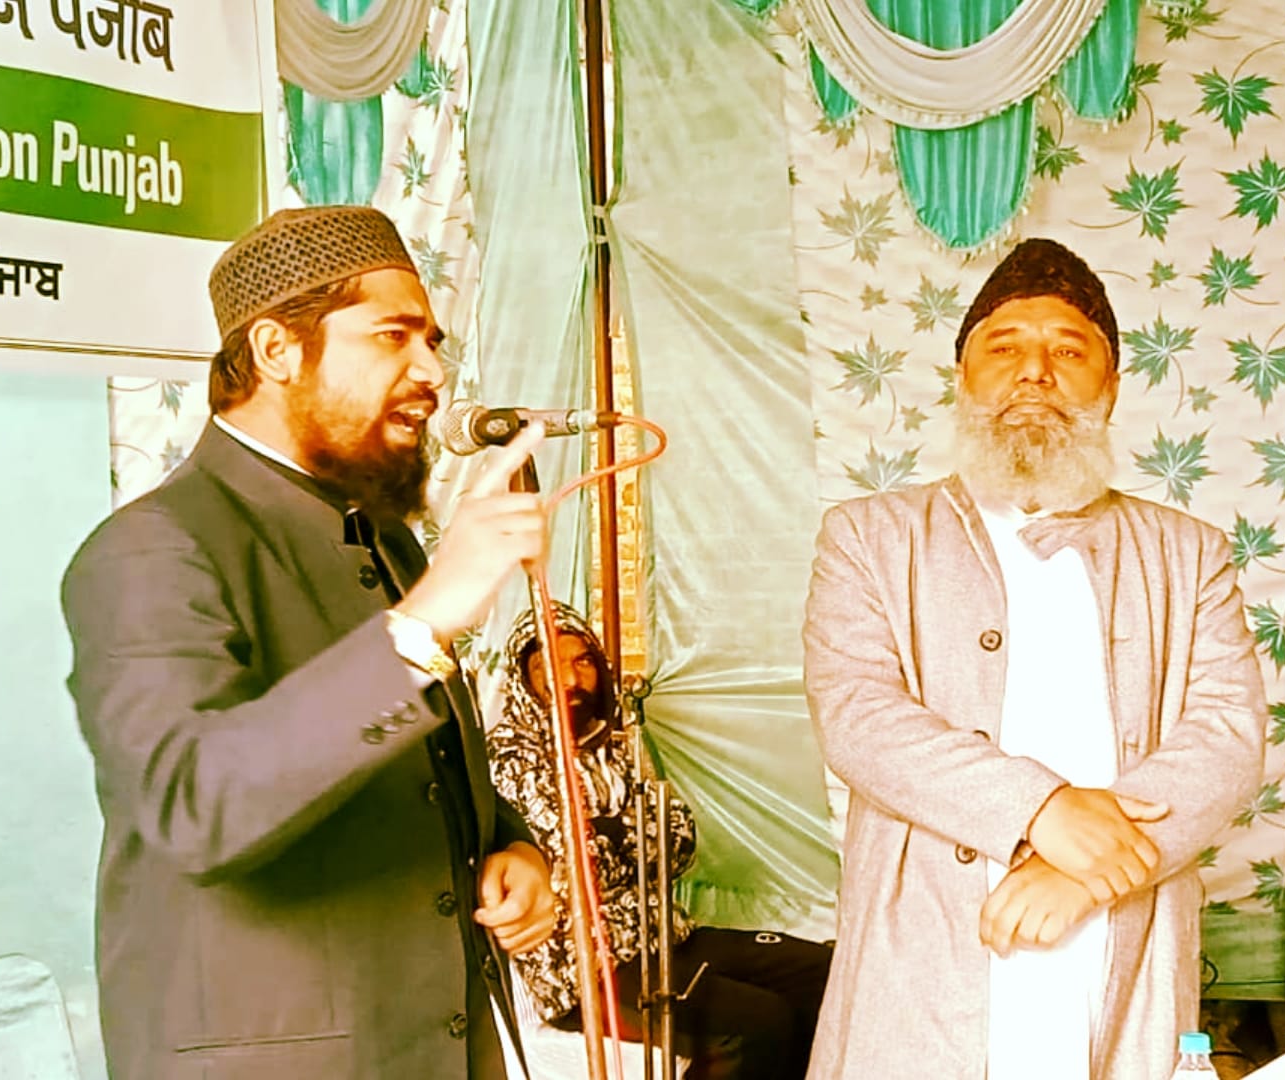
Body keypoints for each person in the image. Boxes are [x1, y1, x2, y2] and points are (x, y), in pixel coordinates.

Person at [60, 205, 557, 1080]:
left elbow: (413, 771)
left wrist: (510, 847)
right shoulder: (151, 548)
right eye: (393, 337)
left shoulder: (385, 539)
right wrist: (424, 622)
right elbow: (195, 808)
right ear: (276, 351)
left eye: (431, 343)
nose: (431, 372)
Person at [801, 238, 1268, 1080]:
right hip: (927, 939)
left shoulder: (1188, 552)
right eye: (1004, 347)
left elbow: (1226, 738)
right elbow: (859, 717)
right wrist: (1041, 810)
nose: (1034, 373)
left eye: (1069, 351)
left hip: (1121, 924)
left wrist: (1087, 876)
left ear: (1111, 389)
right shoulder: (869, 537)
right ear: (964, 379)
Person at [484, 602, 833, 1080]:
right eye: (549, 664)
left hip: (662, 937)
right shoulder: (512, 757)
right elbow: (575, 869)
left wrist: (615, 835)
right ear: (524, 677)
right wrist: (632, 837)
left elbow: (680, 841)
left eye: (582, 661)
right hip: (584, 973)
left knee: (822, 973)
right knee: (759, 1024)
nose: (570, 678)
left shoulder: (612, 745)